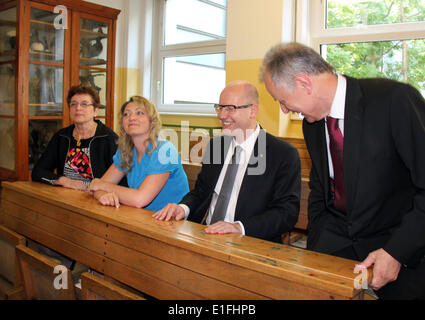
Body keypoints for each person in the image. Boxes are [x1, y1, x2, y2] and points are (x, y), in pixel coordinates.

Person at [261, 42, 425, 299]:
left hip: (397, 247)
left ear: (304, 83)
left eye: (282, 100)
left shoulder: (394, 101)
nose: (284, 109)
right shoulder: (312, 124)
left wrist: (397, 252)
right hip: (334, 244)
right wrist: (317, 242)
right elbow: (320, 188)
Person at [153, 81, 301, 243]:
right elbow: (201, 192)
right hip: (204, 234)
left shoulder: (282, 154)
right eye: (220, 107)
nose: (221, 115)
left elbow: (286, 212)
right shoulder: (217, 146)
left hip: (250, 242)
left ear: (253, 110)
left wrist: (239, 227)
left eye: (230, 108)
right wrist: (182, 207)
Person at [88, 96, 189, 211]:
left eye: (139, 113)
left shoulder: (165, 151)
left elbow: (139, 199)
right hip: (140, 217)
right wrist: (102, 195)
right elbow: (95, 187)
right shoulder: (126, 151)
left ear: (152, 121)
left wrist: (103, 186)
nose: (131, 118)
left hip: (172, 222)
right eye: (126, 114)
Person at [32, 85, 121, 190]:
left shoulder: (109, 139)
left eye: (84, 104)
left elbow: (120, 181)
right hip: (66, 196)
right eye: (73, 104)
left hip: (97, 199)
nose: (78, 108)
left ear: (95, 111)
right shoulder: (61, 137)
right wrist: (64, 181)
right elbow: (38, 172)